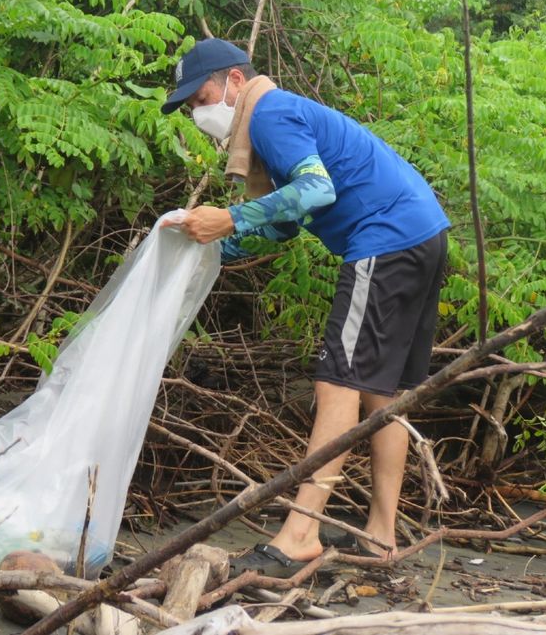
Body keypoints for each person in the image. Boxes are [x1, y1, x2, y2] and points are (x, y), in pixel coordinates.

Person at [160, 38, 450, 576]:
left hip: (385, 239)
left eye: (201, 97)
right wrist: (213, 248)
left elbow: (315, 191)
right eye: (190, 107)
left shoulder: (270, 114)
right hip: (423, 234)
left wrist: (229, 217)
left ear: (235, 82)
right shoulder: (276, 119)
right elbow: (288, 224)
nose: (199, 113)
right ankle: (381, 537)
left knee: (337, 382)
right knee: (382, 392)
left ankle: (300, 534)